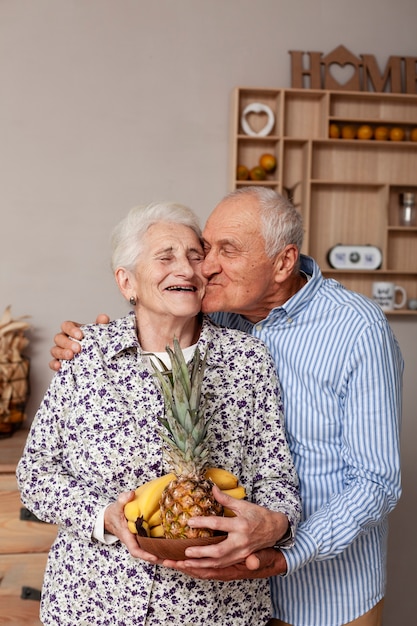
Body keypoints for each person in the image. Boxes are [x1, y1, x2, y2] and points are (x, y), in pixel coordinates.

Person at [50, 187, 403, 626]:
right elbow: (157, 311)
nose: (206, 266)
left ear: (283, 263)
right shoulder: (221, 312)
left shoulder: (356, 330)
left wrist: (286, 546)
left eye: (225, 251)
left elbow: (377, 482)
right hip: (222, 588)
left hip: (322, 585)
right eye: (206, 249)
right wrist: (93, 342)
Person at [17, 201, 301, 626]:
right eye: (165, 257)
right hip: (95, 600)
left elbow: (277, 478)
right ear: (126, 281)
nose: (185, 270)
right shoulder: (86, 355)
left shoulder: (248, 359)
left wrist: (271, 523)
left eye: (194, 256)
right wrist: (102, 516)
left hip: (216, 608)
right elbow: (36, 472)